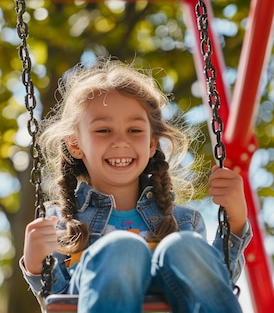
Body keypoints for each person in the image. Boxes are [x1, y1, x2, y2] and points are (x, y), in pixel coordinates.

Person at [20, 58, 252, 312]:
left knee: (184, 246)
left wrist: (236, 219)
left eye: (134, 130)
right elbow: (59, 302)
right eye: (103, 130)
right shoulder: (61, 223)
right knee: (122, 248)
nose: (121, 141)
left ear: (152, 144)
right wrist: (35, 265)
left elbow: (216, 288)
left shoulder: (183, 223)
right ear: (75, 144)